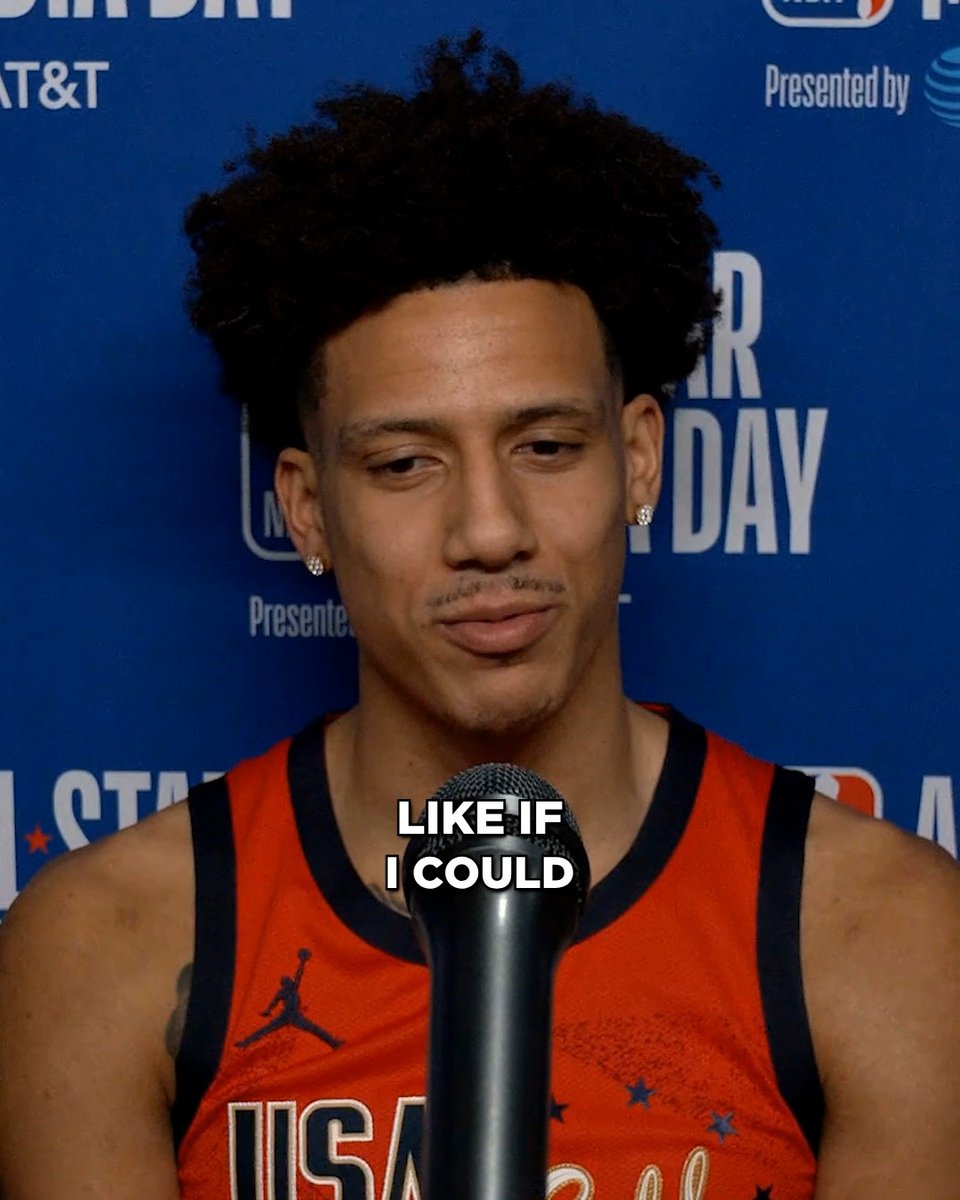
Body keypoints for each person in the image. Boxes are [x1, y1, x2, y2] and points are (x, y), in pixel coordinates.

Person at [1, 30, 958, 1200]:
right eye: (405, 464)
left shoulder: (874, 933)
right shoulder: (112, 944)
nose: (490, 531)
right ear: (306, 509)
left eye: (546, 447)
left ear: (639, 458)